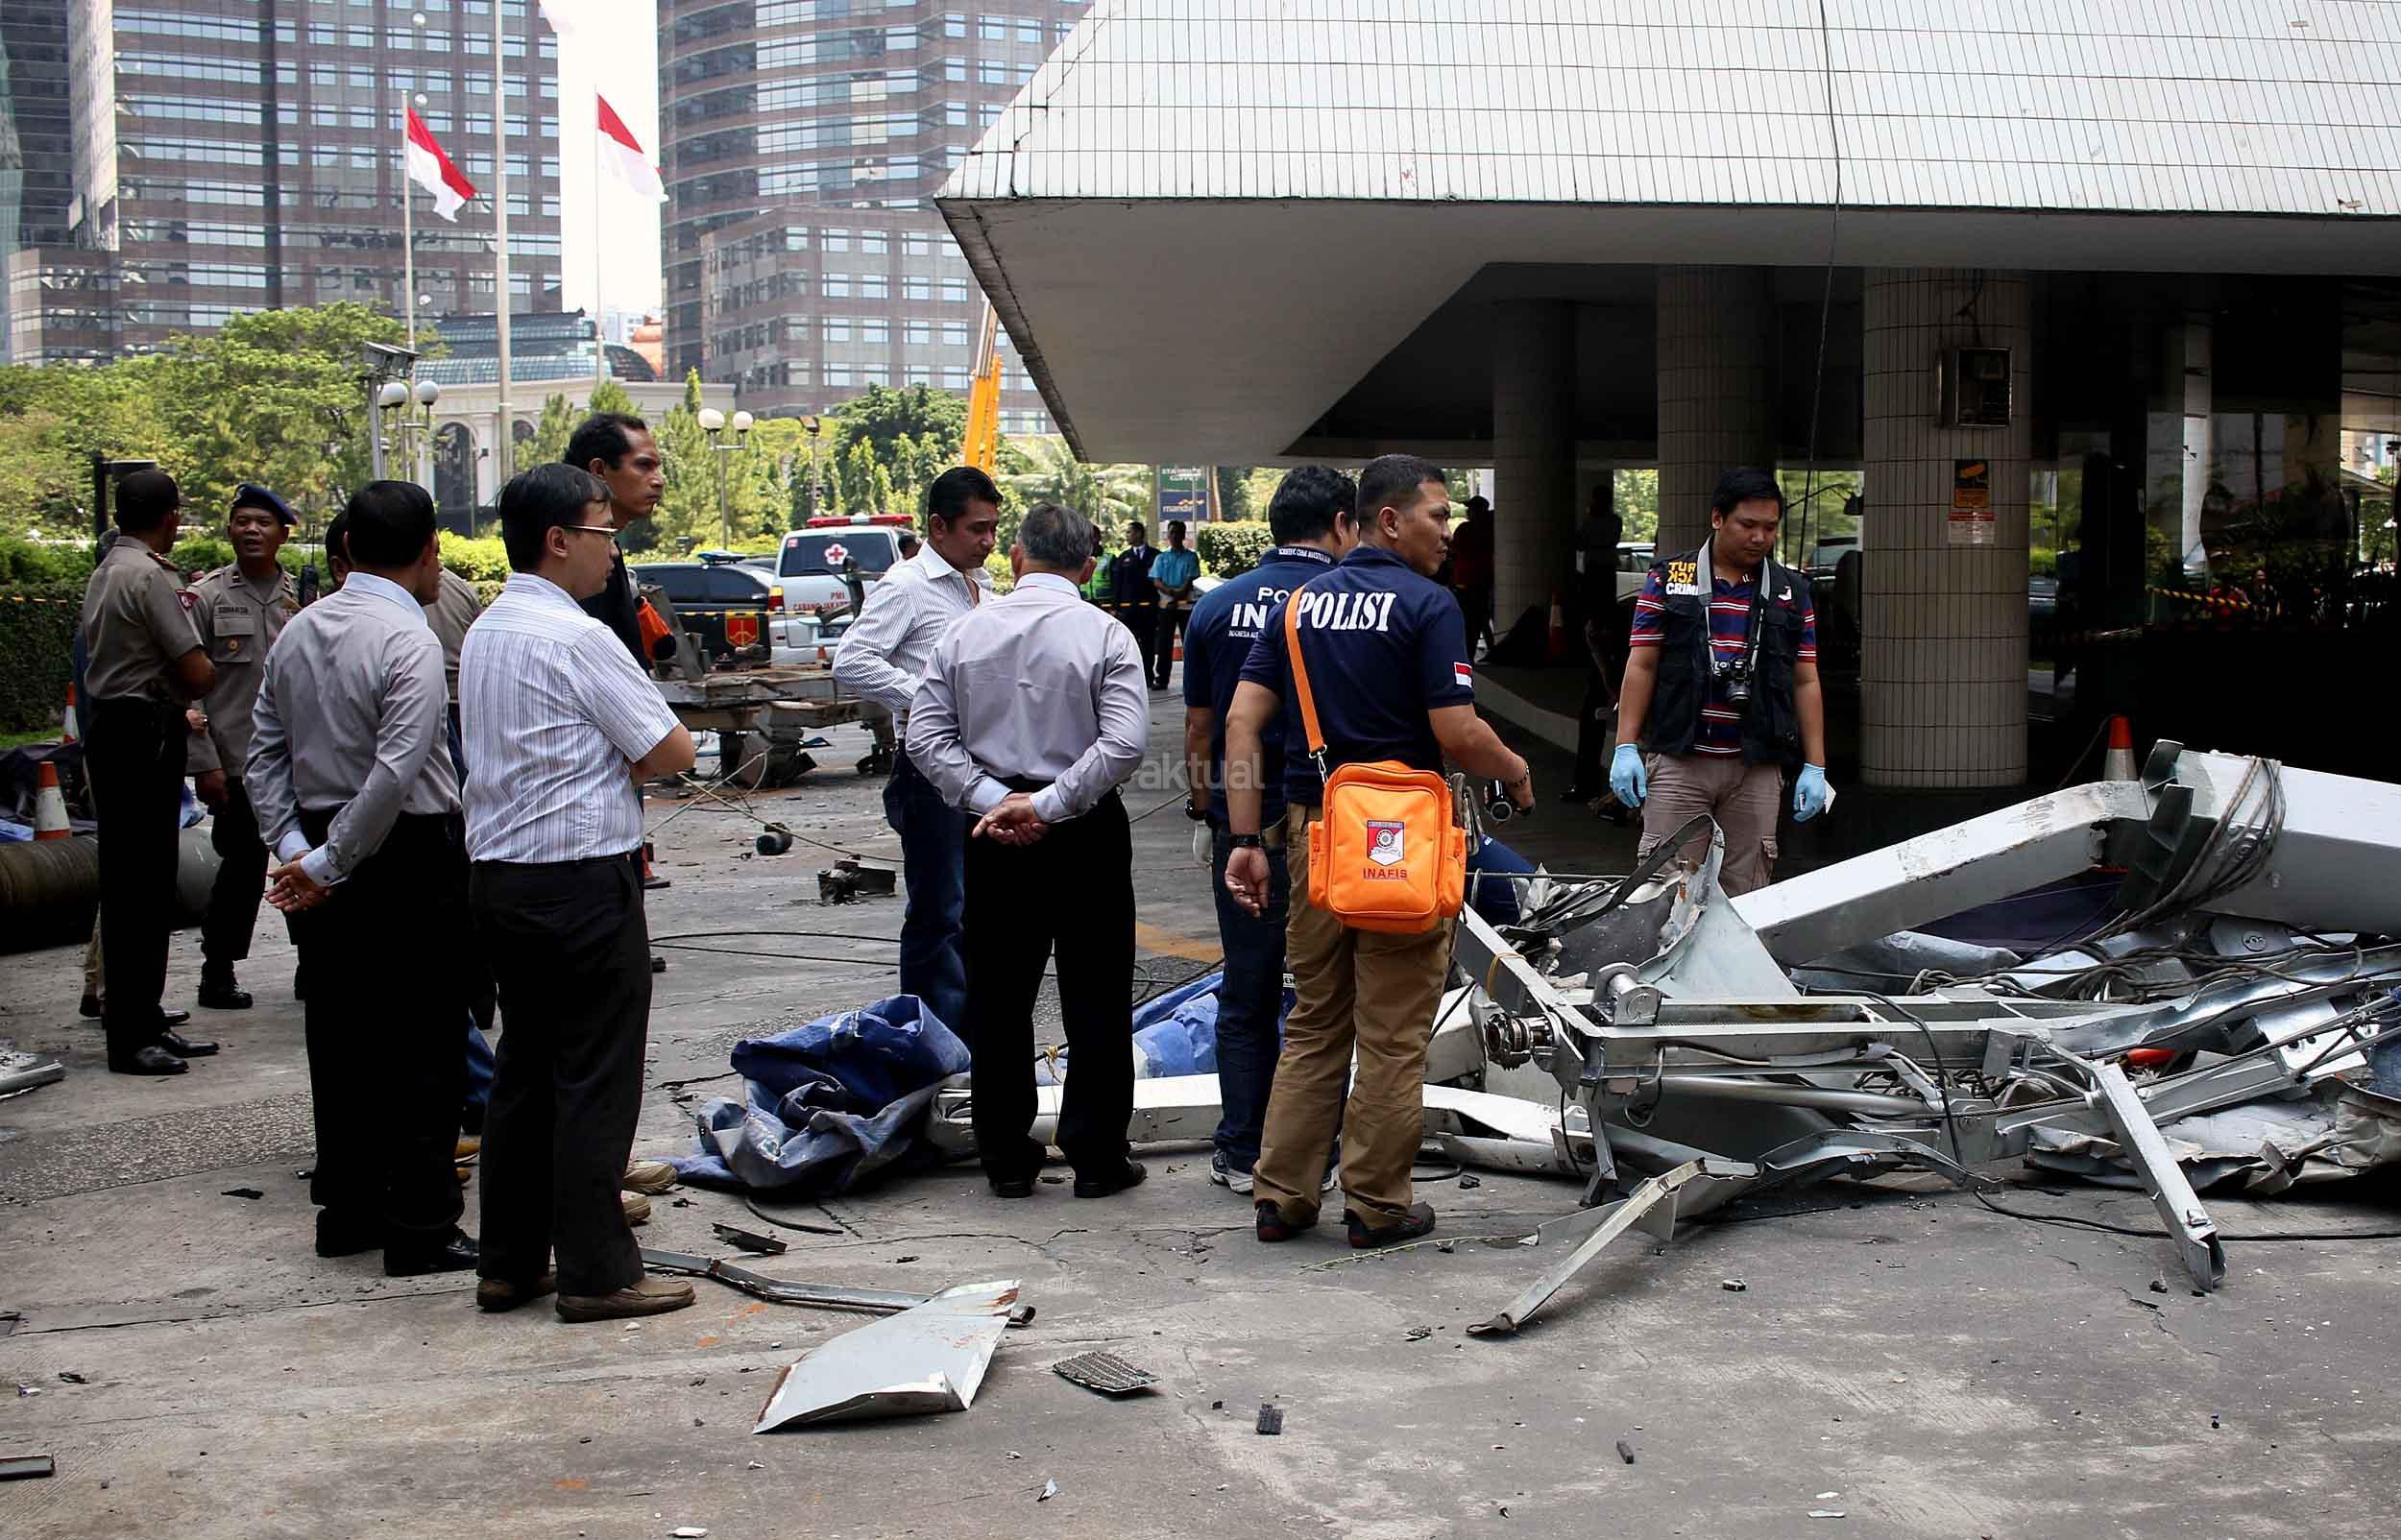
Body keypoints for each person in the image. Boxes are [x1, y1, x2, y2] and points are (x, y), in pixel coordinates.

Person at [1224, 455, 1533, 1248]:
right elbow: (1456, 730)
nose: (1449, 532)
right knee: (1392, 1033)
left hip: (1315, 833)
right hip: (1402, 837)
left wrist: (1247, 839)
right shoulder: (1431, 605)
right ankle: (1376, 1205)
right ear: (1390, 521)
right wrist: (1514, 768)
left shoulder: (1297, 605)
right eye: (1438, 515)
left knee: (1315, 1020)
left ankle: (1282, 1196)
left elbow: (1241, 722)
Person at [461, 463, 698, 1322]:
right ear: (558, 540)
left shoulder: (489, 628)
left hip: (502, 878)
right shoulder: (576, 636)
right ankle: (598, 1272)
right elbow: (672, 751)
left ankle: (509, 1262)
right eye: (604, 533)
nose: (613, 551)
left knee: (525, 1071)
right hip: (579, 881)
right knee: (595, 1076)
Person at [247, 481, 473, 1275]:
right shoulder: (408, 637)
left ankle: (348, 1208)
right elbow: (396, 769)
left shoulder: (300, 629)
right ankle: (420, 1224)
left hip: (318, 842)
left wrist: (296, 848)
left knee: (341, 1037)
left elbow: (262, 754)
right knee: (425, 1044)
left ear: (346, 549)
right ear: (428, 551)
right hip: (403, 853)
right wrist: (327, 863)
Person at [906, 502, 1148, 1202]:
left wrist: (997, 801)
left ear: (1016, 557)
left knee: (998, 996)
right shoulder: (1106, 633)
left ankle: (1007, 1157)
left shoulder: (963, 632)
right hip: (1085, 828)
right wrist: (1047, 804)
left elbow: (925, 739)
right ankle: (1097, 1156)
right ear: (1088, 566)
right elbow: (1124, 744)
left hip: (994, 834)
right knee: (1097, 992)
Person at [1181, 466, 1356, 1194]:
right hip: (1335, 824)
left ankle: (1240, 1147)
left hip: (1243, 822)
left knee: (1247, 985)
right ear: (1341, 525)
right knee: (1329, 996)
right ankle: (1319, 1151)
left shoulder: (1216, 606)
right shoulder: (1350, 607)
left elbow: (1202, 727)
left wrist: (1206, 810)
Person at [831, 468, 1001, 1040]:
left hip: (985, 768)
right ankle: (934, 1043)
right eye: (976, 529)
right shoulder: (907, 586)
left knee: (981, 910)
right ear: (938, 526)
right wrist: (931, 699)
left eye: (993, 528)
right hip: (929, 771)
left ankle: (978, 1040)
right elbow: (852, 660)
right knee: (939, 911)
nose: (987, 540)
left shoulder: (982, 587)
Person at [1610, 467, 1830, 898]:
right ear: (1717, 518)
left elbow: (1805, 680)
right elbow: (1642, 666)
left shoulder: (1791, 591)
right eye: (1748, 525)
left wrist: (1815, 765)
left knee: (1745, 896)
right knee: (1668, 894)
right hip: (1680, 760)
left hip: (1757, 766)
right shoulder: (1669, 579)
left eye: (1770, 528)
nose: (1760, 538)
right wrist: (1625, 746)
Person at [77, 469, 219, 1074]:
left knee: (134, 880)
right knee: (141, 883)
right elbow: (196, 670)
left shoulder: (109, 569)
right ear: (171, 516)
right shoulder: (148, 576)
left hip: (116, 729)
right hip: (142, 732)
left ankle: (143, 1016)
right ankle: (133, 1034)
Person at [183, 484, 302, 1012]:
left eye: (263, 522)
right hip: (238, 761)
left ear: (283, 535)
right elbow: (188, 689)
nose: (252, 530)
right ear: (229, 530)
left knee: (305, 858)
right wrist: (205, 764)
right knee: (241, 870)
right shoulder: (206, 597)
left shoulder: (302, 597)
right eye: (242, 521)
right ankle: (218, 969)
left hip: (297, 760)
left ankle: (312, 964)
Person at [567, 412, 666, 663]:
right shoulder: (577, 560)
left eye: (657, 467)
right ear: (599, 470)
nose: (658, 481)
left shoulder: (608, 551)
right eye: (643, 466)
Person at [1564, 483, 1627, 808]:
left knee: (1595, 717)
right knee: (1594, 715)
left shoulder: (1606, 621)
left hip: (1613, 664)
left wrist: (1610, 683)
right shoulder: (1615, 616)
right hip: (1611, 660)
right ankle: (1590, 785)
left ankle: (1592, 787)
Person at [1148, 519, 1200, 689]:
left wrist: (1176, 598)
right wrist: (1171, 594)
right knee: (1164, 644)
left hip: (1186, 607)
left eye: (1178, 532)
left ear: (1183, 535)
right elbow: (1156, 581)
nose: (1174, 536)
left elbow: (1190, 580)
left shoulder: (1191, 557)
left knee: (1189, 644)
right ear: (1168, 535)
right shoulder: (1161, 558)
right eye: (1171, 532)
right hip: (1166, 607)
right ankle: (1162, 679)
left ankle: (1193, 679)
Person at [1108, 518, 1158, 682]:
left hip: (1149, 607)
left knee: (1148, 643)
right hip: (1128, 608)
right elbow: (1117, 584)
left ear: (1139, 533)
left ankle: (1148, 675)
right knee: (1130, 644)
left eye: (1129, 532)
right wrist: (1115, 607)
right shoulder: (1124, 557)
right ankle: (1133, 677)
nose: (1127, 535)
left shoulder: (1155, 555)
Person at [1448, 493, 1496, 660]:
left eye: (1471, 509)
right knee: (1482, 620)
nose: (1468, 512)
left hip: (1465, 584)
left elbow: (1452, 551)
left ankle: (1467, 656)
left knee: (1469, 623)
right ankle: (1491, 651)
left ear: (1478, 511)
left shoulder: (1466, 529)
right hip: (1484, 583)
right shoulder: (1491, 529)